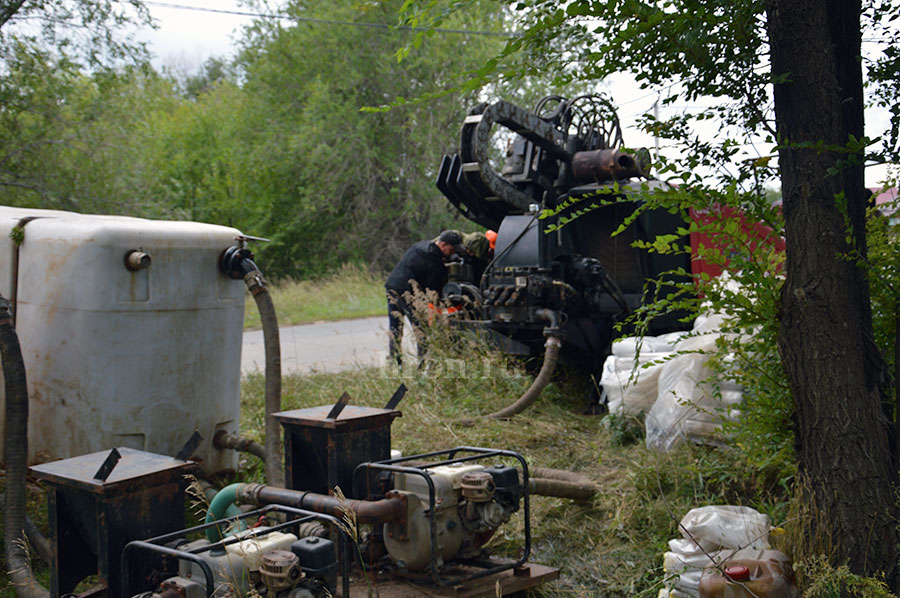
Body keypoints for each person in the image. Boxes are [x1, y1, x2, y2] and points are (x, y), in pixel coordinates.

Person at [385, 230, 464, 366]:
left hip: (392, 286)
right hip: (407, 294)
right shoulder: (435, 264)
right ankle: (423, 366)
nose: (453, 253)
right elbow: (431, 291)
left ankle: (395, 364)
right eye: (452, 249)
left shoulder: (421, 245)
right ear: (443, 244)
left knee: (395, 329)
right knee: (421, 330)